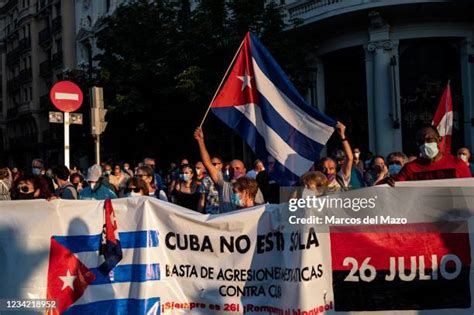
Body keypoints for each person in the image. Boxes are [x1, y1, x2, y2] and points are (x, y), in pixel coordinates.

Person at [194, 127, 264, 213]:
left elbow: (260, 209)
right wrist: (200, 141)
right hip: (226, 224)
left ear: (244, 170)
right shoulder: (223, 182)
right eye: (231, 169)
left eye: (237, 168)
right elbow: (207, 163)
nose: (234, 171)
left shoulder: (252, 187)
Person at [392, 126, 471, 182]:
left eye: (429, 139)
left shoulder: (458, 164)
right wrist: (388, 182)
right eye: (420, 141)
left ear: (439, 140)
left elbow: (469, 190)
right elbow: (395, 189)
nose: (425, 144)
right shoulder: (410, 168)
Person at [317, 122, 353, 192]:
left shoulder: (340, 179)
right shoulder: (315, 183)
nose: (328, 172)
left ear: (336, 169)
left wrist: (342, 135)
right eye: (324, 169)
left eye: (331, 168)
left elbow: (350, 158)